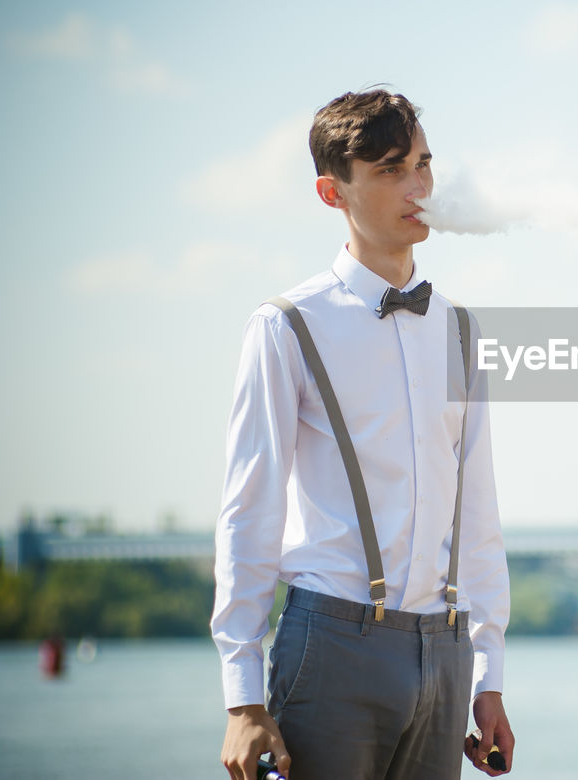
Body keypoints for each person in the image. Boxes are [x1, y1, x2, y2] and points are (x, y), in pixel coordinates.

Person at [211, 89, 514, 780]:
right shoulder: (288, 325)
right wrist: (242, 697)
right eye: (390, 169)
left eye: (424, 164)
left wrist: (488, 672)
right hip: (332, 646)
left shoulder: (461, 332)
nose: (419, 186)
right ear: (332, 191)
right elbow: (248, 510)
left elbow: (479, 514)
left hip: (446, 654)